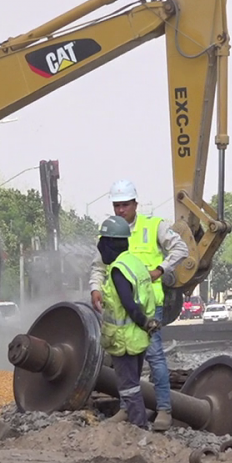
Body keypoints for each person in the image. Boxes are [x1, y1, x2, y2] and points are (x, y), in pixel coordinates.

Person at [89, 179, 189, 432]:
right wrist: (95, 288)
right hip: (119, 310)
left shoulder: (153, 226)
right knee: (124, 358)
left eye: (125, 204)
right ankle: (128, 408)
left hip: (145, 306)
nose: (120, 210)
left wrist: (160, 269)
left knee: (154, 357)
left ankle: (164, 409)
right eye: (116, 205)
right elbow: (98, 266)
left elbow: (181, 248)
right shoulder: (110, 231)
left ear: (135, 203)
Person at [96, 215, 160, 428]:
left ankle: (139, 430)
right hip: (140, 337)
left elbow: (129, 304)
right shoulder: (135, 263)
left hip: (125, 340)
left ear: (111, 243)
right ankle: (139, 427)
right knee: (134, 385)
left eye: (103, 241)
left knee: (129, 388)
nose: (101, 247)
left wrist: (142, 320)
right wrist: (148, 323)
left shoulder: (118, 270)